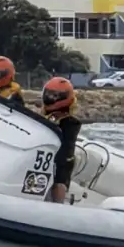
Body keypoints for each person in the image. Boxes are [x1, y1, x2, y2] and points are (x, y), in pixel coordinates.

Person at [41, 76, 81, 204]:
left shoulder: (71, 123)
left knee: (61, 171)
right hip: (44, 155)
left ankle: (58, 204)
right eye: (48, 95)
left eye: (54, 96)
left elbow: (66, 151)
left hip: (62, 160)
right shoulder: (44, 117)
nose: (50, 98)